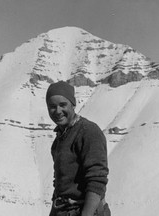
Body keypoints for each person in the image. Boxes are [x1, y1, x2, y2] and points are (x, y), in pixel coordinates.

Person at [46, 81, 111, 216]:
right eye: (52, 106)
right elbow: (60, 184)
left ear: (73, 104)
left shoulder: (88, 132)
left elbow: (97, 181)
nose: (57, 111)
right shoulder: (59, 139)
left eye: (62, 105)